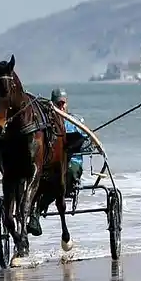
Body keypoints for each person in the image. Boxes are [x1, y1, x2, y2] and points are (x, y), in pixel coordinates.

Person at [26, 88, 91, 237]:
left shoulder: (75, 122)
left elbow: (87, 140)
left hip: (71, 163)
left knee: (67, 174)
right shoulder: (47, 125)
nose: (61, 107)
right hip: (52, 165)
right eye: (57, 104)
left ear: (67, 104)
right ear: (52, 104)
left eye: (63, 104)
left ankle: (36, 211)